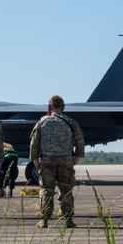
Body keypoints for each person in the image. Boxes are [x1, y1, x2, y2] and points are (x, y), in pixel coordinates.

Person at [29, 95, 85, 228]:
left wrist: (35, 159)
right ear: (63, 107)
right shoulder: (70, 122)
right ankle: (68, 220)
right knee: (66, 189)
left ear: (50, 107)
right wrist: (77, 157)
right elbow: (80, 140)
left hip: (47, 161)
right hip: (65, 160)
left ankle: (44, 220)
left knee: (47, 190)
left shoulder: (42, 122)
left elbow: (34, 143)